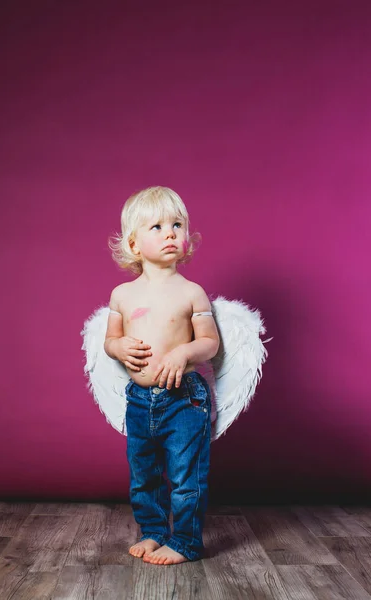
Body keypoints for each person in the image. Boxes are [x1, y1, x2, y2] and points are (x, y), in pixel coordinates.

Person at [103, 186, 220, 565]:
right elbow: (110, 341)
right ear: (135, 245)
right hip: (139, 400)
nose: (170, 233)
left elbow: (209, 343)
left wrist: (185, 351)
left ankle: (185, 541)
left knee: (186, 478)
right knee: (144, 476)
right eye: (157, 226)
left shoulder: (192, 293)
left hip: (183, 399)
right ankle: (153, 530)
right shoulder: (122, 294)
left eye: (177, 225)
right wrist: (119, 348)